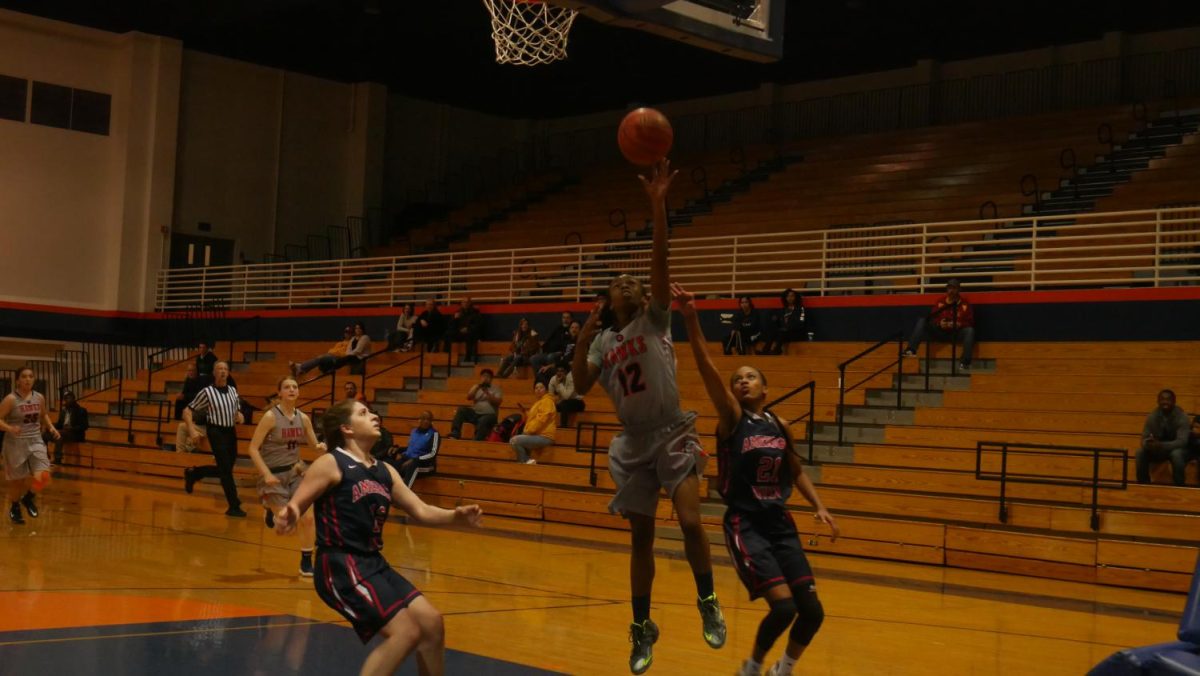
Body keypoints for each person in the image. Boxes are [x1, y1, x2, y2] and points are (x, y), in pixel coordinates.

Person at [571, 159, 726, 674]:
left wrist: (658, 205)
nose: (630, 282)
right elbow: (580, 384)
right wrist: (580, 338)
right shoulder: (604, 340)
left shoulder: (655, 318)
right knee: (640, 539)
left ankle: (706, 600)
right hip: (633, 442)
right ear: (610, 299)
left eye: (634, 280)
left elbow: (660, 261)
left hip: (673, 430)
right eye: (621, 281)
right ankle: (641, 627)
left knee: (688, 522)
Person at [674, 281, 839, 676]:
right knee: (783, 607)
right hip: (745, 522)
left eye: (750, 377)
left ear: (766, 387)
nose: (742, 381)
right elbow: (708, 369)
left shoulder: (780, 424)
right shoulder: (732, 419)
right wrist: (692, 319)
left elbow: (794, 471)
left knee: (812, 612)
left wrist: (819, 506)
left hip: (779, 522)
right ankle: (751, 667)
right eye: (738, 379)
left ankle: (784, 669)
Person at [275, 399, 483, 676]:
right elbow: (298, 504)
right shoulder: (331, 462)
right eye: (363, 413)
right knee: (405, 632)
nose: (373, 416)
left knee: (432, 623)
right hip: (340, 564)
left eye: (371, 411)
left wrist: (455, 516)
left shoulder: (385, 471)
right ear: (347, 428)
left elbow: (420, 509)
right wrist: (288, 512)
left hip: (373, 562)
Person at [247, 376, 326, 576]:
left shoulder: (303, 418)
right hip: (272, 474)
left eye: (295, 387)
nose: (291, 390)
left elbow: (314, 446)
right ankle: (270, 510)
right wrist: (265, 474)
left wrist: (320, 447)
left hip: (295, 472)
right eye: (287, 387)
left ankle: (306, 563)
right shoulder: (270, 417)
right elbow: (253, 449)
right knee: (288, 523)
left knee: (307, 518)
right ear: (280, 392)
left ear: (298, 392)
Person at [183, 361, 247, 517]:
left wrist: (241, 416)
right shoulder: (207, 392)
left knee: (226, 468)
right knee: (225, 470)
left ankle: (195, 473)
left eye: (225, 369)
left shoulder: (233, 390)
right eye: (219, 369)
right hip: (216, 431)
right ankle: (234, 505)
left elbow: (237, 411)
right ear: (214, 372)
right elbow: (187, 411)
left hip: (230, 431)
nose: (223, 371)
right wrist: (191, 430)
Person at [0, 367, 59, 524]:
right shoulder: (11, 399)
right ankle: (15, 507)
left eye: (31, 376)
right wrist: (10, 428)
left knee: (44, 475)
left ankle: (28, 498)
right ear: (18, 380)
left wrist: (51, 427)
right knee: (17, 480)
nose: (27, 379)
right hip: (15, 443)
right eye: (24, 376)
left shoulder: (39, 397)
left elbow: (44, 414)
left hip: (35, 440)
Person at [903, 279, 976, 370]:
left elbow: (970, 322)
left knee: (970, 331)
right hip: (940, 332)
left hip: (956, 333)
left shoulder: (965, 304)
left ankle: (965, 362)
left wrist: (958, 324)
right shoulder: (940, 302)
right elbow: (932, 318)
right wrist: (939, 323)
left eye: (954, 288)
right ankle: (911, 349)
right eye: (949, 288)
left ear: (959, 290)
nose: (951, 291)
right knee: (922, 320)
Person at [1136, 389, 1195, 486]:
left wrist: (1161, 445)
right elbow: (1143, 439)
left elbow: (1182, 442)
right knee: (1140, 453)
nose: (1165, 402)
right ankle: (1143, 485)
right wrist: (1148, 444)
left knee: (1177, 454)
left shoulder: (1182, 417)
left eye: (1168, 399)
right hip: (1159, 449)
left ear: (1174, 401)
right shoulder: (1152, 417)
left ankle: (1179, 486)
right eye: (1162, 399)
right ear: (1158, 401)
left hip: (1179, 449)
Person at [388, 410, 440, 486]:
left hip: (426, 464)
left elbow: (432, 454)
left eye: (428, 419)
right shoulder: (414, 431)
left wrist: (415, 460)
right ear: (419, 420)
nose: (426, 421)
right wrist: (398, 450)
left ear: (431, 421)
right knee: (391, 464)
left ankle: (406, 493)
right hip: (409, 459)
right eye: (423, 419)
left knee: (413, 466)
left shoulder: (434, 434)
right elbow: (412, 449)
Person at [448, 369, 502, 441]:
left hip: (489, 415)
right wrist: (476, 388)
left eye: (488, 377)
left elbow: (497, 402)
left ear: (491, 379)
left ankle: (477, 440)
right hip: (475, 413)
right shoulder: (476, 387)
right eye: (483, 376)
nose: (485, 378)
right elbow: (469, 397)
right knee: (461, 409)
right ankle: (455, 434)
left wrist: (487, 393)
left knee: (483, 420)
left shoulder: (496, 389)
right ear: (481, 378)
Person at [510, 382, 556, 465]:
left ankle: (526, 461)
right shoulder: (539, 402)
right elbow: (534, 418)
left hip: (545, 436)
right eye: (536, 388)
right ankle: (526, 463)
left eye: (541, 387)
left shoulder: (547, 401)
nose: (538, 390)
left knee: (514, 440)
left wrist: (529, 431)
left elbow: (541, 420)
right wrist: (525, 412)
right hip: (538, 434)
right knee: (520, 439)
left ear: (546, 390)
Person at [762, 289, 806, 355]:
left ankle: (777, 350)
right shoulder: (783, 310)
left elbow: (801, 323)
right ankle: (765, 350)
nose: (790, 298)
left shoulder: (800, 309)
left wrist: (788, 328)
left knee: (783, 332)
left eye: (792, 296)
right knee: (773, 330)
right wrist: (775, 320)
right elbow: (780, 323)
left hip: (795, 332)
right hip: (784, 333)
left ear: (795, 297)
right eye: (788, 296)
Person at [537, 321, 582, 386]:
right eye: (572, 328)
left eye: (576, 328)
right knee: (542, 372)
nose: (574, 330)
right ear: (569, 330)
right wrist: (549, 366)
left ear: (580, 330)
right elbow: (564, 359)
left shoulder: (582, 343)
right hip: (563, 366)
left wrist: (573, 363)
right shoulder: (567, 342)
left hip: (573, 369)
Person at [53, 390, 88, 465]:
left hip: (75, 434)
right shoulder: (63, 411)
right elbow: (59, 424)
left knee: (59, 434)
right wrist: (51, 427)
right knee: (44, 434)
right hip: (64, 432)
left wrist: (71, 428)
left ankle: (58, 458)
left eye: (69, 398)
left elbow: (85, 426)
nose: (67, 400)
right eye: (65, 398)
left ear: (74, 399)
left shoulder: (81, 410)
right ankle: (45, 456)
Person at [443, 298, 483, 362]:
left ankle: (468, 357)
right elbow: (451, 326)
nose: (465, 304)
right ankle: (446, 354)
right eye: (463, 302)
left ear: (470, 303)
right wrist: (455, 319)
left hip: (470, 332)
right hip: (460, 332)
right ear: (461, 304)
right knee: (448, 334)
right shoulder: (458, 312)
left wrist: (468, 328)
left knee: (469, 336)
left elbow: (478, 325)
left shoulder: (475, 312)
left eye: (467, 302)